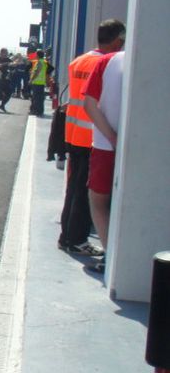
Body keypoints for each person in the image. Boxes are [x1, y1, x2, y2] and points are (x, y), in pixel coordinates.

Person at [58, 19, 125, 258]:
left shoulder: (79, 61)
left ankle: (67, 236)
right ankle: (76, 239)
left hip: (74, 134)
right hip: (92, 138)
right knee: (87, 196)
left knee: (72, 190)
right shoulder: (107, 64)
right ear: (117, 40)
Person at [82, 48, 125, 274]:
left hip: (105, 146)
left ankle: (111, 257)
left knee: (98, 201)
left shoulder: (109, 61)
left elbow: (89, 104)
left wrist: (112, 137)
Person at [28, 49, 53, 115]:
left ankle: (35, 111)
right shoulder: (44, 62)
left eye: (36, 54)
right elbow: (50, 69)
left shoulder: (39, 62)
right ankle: (40, 111)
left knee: (35, 98)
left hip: (36, 82)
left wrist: (31, 79)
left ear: (38, 55)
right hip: (41, 83)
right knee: (40, 98)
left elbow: (37, 71)